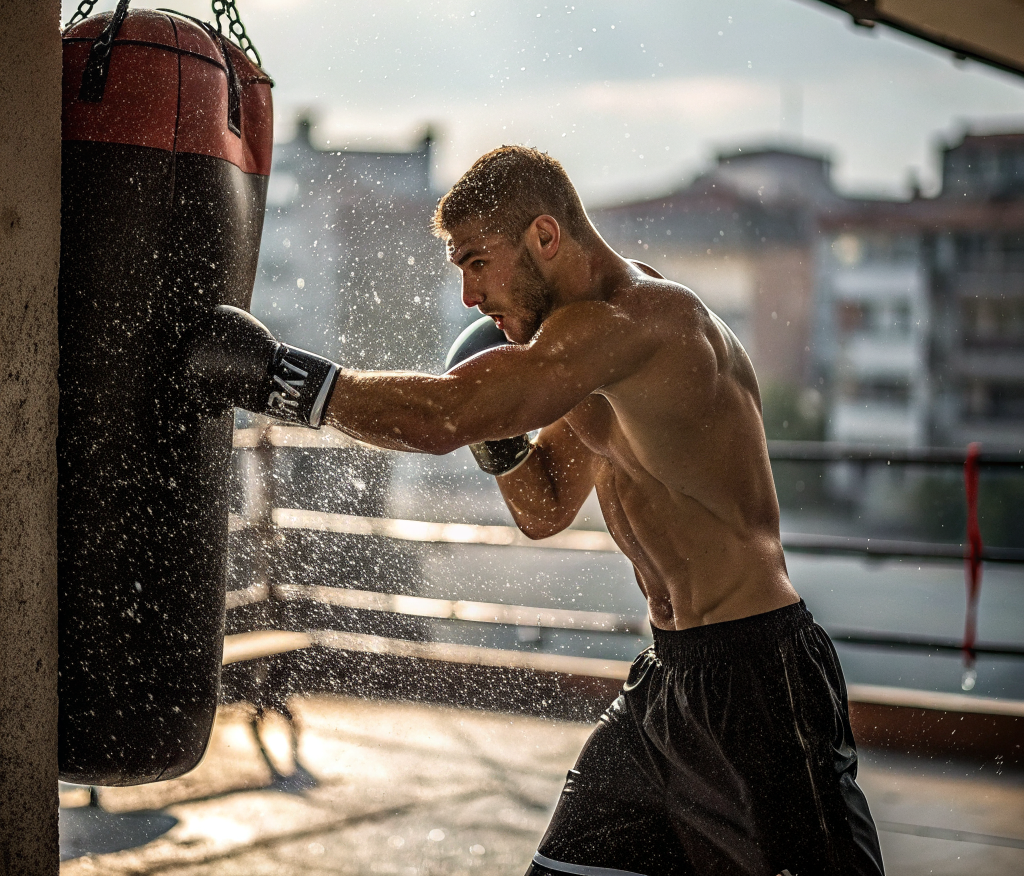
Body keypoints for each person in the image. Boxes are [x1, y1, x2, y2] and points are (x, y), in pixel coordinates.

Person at [200, 146, 884, 876]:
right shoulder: (580, 343)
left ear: (545, 237)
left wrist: (281, 379)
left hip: (756, 680)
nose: (469, 296)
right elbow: (547, 507)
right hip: (665, 683)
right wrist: (498, 434)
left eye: (476, 262)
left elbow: (443, 417)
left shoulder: (643, 324)